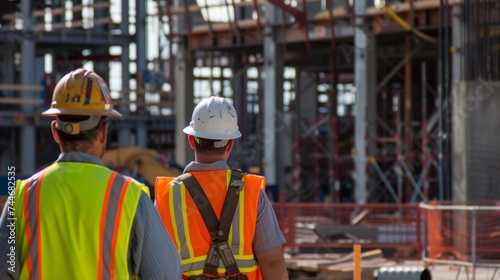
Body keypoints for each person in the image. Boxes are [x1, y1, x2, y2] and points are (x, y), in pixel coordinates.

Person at [0, 68, 181, 279]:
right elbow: (166, 275)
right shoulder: (129, 198)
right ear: (104, 133)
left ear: (55, 131)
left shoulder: (21, 197)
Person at [155, 96, 288, 280]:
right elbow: (272, 262)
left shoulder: (166, 197)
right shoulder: (251, 192)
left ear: (192, 140)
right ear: (230, 144)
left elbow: (154, 265)